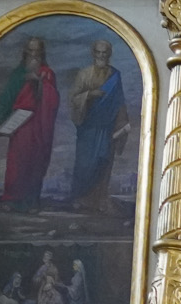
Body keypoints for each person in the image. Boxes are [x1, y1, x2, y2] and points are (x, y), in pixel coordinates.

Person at [0, 35, 59, 211]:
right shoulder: (18, 75)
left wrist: (39, 83)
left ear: (42, 53)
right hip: (21, 126)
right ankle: (13, 199)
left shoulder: (47, 73)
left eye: (37, 51)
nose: (34, 55)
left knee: (36, 162)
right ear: (25, 52)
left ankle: (31, 202)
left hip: (40, 125)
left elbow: (53, 99)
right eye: (30, 51)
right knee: (18, 162)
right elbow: (6, 98)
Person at [66, 40, 128, 213]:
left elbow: (119, 101)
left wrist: (122, 123)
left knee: (103, 161)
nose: (101, 56)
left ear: (109, 54)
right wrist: (90, 94)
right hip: (88, 126)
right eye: (99, 52)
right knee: (85, 163)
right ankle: (79, 198)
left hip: (107, 126)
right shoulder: (84, 74)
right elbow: (73, 98)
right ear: (94, 53)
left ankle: (97, 199)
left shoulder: (115, 75)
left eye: (104, 53)